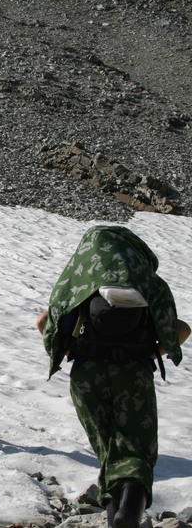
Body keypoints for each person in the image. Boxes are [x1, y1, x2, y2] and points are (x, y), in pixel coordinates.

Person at [37, 225, 190, 528]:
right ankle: (130, 509)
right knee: (137, 449)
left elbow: (45, 322)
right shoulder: (147, 282)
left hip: (87, 373)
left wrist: (69, 347)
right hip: (135, 373)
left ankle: (115, 517)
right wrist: (152, 353)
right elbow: (181, 330)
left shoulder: (79, 280)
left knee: (107, 450)